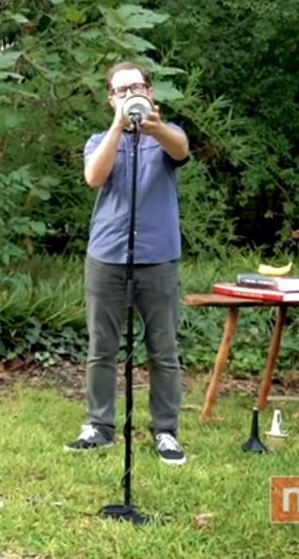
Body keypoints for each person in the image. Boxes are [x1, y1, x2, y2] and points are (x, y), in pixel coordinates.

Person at [65, 61, 190, 466]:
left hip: (158, 257)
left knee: (163, 349)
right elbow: (94, 177)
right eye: (120, 90)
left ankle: (166, 431)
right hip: (108, 255)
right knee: (102, 348)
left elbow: (181, 150)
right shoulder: (100, 139)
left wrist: (152, 126)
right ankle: (99, 426)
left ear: (150, 92)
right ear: (110, 99)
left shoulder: (167, 135)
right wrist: (120, 127)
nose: (129, 94)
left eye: (136, 87)